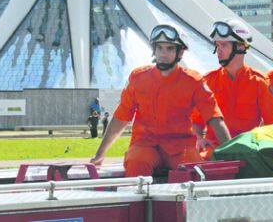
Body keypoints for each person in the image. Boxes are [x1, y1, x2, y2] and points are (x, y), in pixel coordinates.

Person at [90, 23, 232, 176]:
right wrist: (100, 154)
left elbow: (214, 118)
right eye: (159, 48)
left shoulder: (193, 81)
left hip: (181, 147)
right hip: (145, 145)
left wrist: (231, 151)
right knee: (136, 164)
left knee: (195, 172)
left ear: (180, 52)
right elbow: (121, 117)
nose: (163, 53)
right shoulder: (138, 78)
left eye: (170, 48)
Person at [190, 18, 273, 159]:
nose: (218, 50)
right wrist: (198, 138)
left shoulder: (259, 82)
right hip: (214, 150)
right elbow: (196, 121)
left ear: (240, 47)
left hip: (248, 152)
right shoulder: (208, 81)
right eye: (217, 45)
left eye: (224, 45)